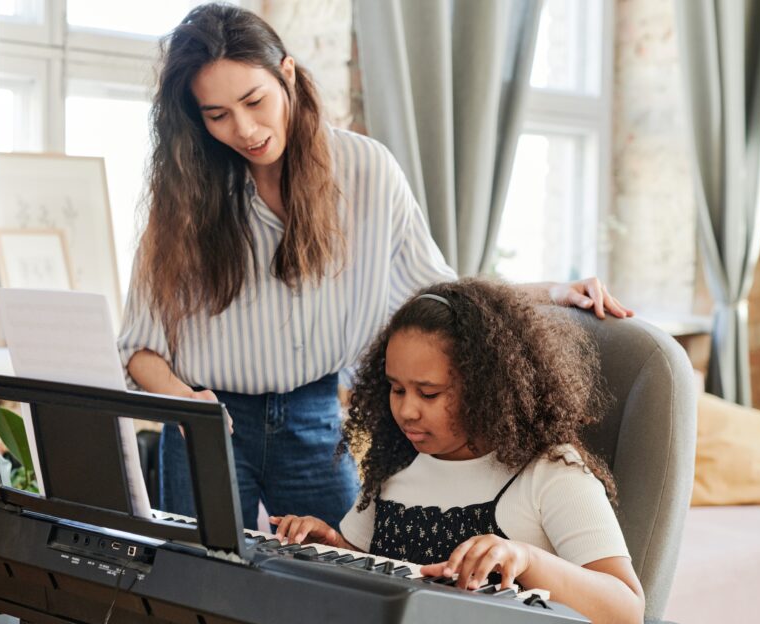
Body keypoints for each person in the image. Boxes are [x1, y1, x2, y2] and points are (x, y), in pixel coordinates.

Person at [117, 2, 633, 530]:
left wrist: (549, 292)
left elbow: (440, 296)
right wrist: (184, 400)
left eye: (255, 101)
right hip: (205, 423)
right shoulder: (183, 194)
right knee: (193, 586)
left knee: (342, 583)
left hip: (314, 419)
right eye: (217, 115)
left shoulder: (367, 172)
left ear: (287, 75)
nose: (245, 129)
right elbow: (138, 344)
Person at [269, 279, 645, 624]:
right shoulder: (397, 463)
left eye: (428, 393)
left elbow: (627, 620)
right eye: (397, 389)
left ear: (486, 388)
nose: (407, 410)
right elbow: (379, 566)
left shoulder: (550, 473)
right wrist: (332, 546)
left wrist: (528, 560)